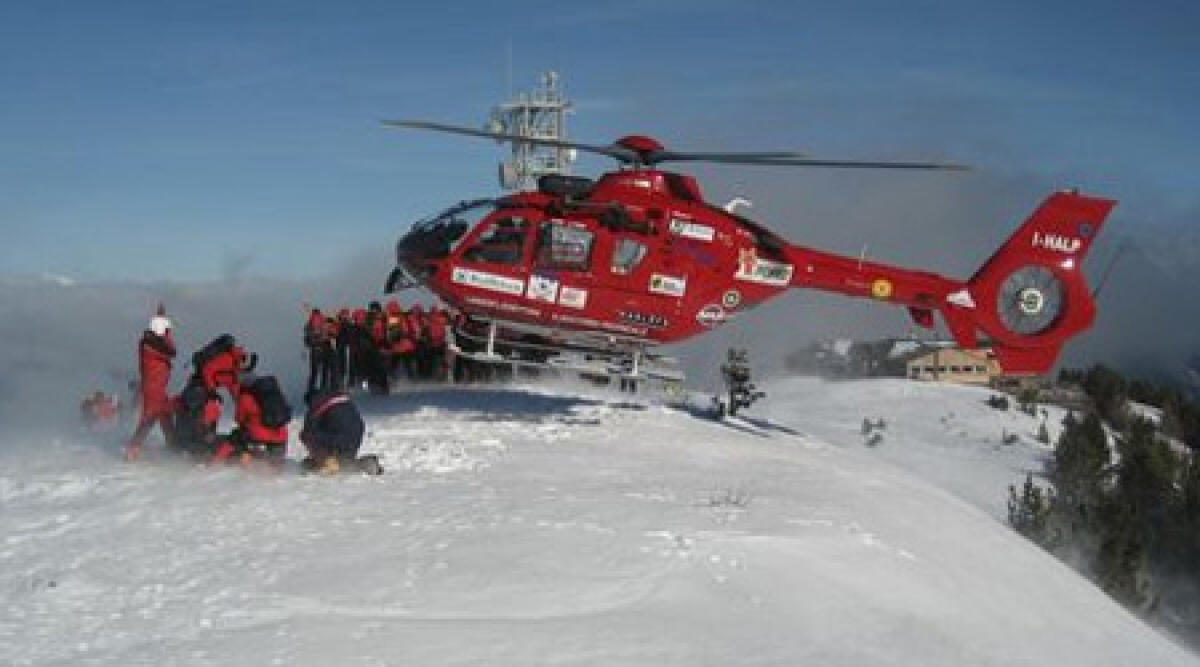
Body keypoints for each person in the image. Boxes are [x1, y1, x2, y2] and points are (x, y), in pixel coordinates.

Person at [125, 307, 176, 461]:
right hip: (153, 388)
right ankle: (133, 449)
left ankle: (172, 444)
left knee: (164, 414)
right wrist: (164, 328)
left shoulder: (149, 343)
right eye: (167, 331)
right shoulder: (154, 347)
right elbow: (171, 350)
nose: (170, 334)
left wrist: (161, 317)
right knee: (149, 417)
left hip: (157, 387)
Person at [211, 375, 291, 468]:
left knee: (235, 437)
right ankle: (276, 467)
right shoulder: (276, 394)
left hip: (258, 434)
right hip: (281, 435)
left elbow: (239, 418)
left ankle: (216, 462)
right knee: (275, 454)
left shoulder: (246, 396)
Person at [299, 389, 378, 475]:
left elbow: (308, 431)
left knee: (308, 436)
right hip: (356, 434)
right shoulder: (342, 399)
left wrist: (315, 452)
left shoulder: (316, 406)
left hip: (339, 436)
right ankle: (365, 463)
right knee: (344, 461)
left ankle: (326, 463)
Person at [170, 373, 223, 459]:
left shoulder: (185, 396)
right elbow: (208, 429)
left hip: (182, 441)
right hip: (194, 444)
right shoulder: (210, 401)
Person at [304, 309, 334, 395]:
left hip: (316, 351)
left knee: (315, 372)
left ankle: (311, 390)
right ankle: (324, 389)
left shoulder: (309, 325)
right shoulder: (324, 322)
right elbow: (332, 334)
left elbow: (307, 340)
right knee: (325, 370)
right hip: (326, 349)